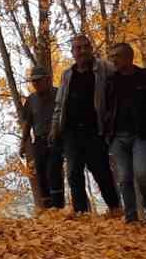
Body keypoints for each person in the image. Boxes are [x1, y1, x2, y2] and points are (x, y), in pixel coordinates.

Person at [51, 34, 121, 216]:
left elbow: (117, 94)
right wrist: (55, 128)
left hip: (95, 130)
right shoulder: (68, 74)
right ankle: (81, 211)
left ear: (91, 48)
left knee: (101, 170)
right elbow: (60, 103)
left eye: (85, 47)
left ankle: (115, 208)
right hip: (71, 131)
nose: (82, 51)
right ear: (72, 52)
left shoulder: (105, 69)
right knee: (74, 171)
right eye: (77, 48)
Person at [101, 42, 146, 223]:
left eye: (116, 56)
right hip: (117, 137)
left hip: (142, 135)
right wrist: (106, 132)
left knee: (141, 173)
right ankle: (131, 218)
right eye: (111, 56)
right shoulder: (111, 81)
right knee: (124, 177)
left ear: (128, 57)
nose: (113, 60)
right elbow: (105, 108)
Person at [18, 64, 64, 210]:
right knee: (41, 174)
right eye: (33, 81)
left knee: (54, 172)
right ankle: (47, 208)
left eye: (38, 80)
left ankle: (58, 208)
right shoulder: (31, 100)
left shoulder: (59, 95)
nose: (36, 84)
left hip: (57, 140)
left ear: (47, 79)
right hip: (39, 141)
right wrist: (23, 144)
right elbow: (27, 123)